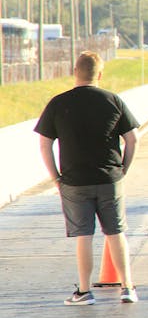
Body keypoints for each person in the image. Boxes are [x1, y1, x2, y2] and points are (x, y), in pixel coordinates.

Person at [34, 51, 140, 305]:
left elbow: (44, 145)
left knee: (84, 236)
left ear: (74, 72)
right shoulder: (113, 100)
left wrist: (56, 178)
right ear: (99, 74)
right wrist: (123, 168)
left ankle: (84, 291)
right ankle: (127, 287)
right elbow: (133, 139)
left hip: (74, 182)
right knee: (116, 232)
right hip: (109, 179)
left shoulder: (58, 103)